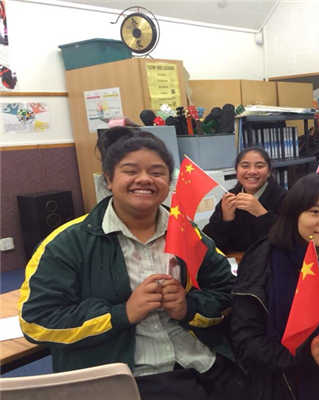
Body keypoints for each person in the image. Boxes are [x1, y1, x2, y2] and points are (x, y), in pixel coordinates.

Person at [18, 127, 243, 399]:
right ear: (108, 179)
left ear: (168, 181)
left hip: (198, 363)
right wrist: (122, 313)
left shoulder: (186, 232)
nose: (145, 179)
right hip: (122, 378)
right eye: (130, 171)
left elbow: (227, 290)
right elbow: (36, 321)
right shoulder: (67, 243)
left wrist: (188, 307)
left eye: (157, 172)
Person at [230, 173, 319, 400]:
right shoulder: (263, 260)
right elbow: (245, 342)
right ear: (294, 214)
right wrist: (304, 355)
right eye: (315, 212)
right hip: (283, 386)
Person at [203, 147, 287, 253]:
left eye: (259, 166)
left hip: (269, 261)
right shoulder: (230, 198)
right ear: (237, 171)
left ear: (269, 172)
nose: (252, 171)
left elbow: (288, 239)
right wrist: (226, 219)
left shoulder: (284, 198)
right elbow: (211, 245)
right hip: (235, 261)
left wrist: (261, 214)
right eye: (245, 166)